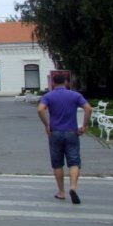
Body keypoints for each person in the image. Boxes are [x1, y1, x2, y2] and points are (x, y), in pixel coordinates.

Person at [37, 74, 93, 204]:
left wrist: (47, 125)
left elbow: (40, 110)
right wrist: (84, 125)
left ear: (53, 83)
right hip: (72, 132)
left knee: (57, 163)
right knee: (74, 161)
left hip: (55, 133)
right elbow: (88, 108)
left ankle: (61, 192)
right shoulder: (75, 95)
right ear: (66, 82)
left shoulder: (48, 96)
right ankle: (73, 187)